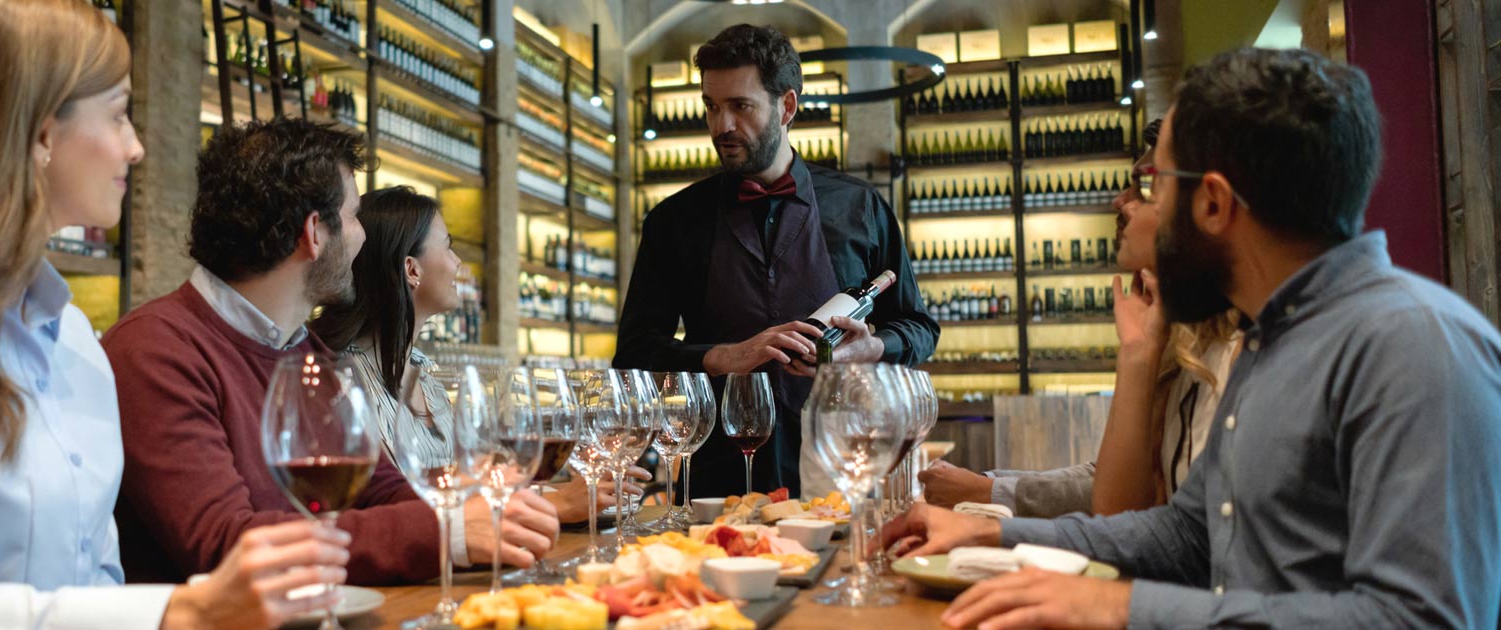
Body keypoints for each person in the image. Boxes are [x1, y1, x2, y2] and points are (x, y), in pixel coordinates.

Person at [882, 47, 1501, 628]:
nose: (1132, 206)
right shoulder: (1268, 339)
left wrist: (1122, 607)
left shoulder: (1415, 346)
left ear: (1211, 203)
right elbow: (1190, 533)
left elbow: (1421, 618)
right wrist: (994, 533)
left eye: (1156, 183)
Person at [0, 1, 348, 628]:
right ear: (41, 132)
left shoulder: (73, 337)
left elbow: (94, 577)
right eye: (119, 113)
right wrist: (182, 611)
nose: (137, 146)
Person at [102, 119, 560, 587]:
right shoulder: (155, 351)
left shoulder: (303, 349)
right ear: (314, 232)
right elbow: (227, 543)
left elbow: (381, 489)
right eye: (355, 215)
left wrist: (475, 508)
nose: (362, 237)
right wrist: (451, 530)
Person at [614, 24, 938, 500]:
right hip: (717, 481)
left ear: (786, 107)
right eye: (711, 106)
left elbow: (918, 326)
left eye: (740, 106)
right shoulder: (673, 221)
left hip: (844, 464)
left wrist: (873, 347)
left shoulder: (861, 208)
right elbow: (634, 356)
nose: (721, 125)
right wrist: (723, 356)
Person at [919, 120, 1243, 517]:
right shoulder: (1179, 337)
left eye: (1144, 185)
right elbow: (1135, 507)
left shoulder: (1237, 357)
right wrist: (991, 491)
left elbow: (1159, 526)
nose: (1119, 200)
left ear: (1209, 203)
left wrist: (991, 498)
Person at [310, 186, 646, 523]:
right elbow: (382, 506)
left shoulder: (426, 379)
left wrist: (566, 492)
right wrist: (557, 503)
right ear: (412, 270)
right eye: (448, 247)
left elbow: (470, 487)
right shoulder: (343, 380)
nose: (458, 262)